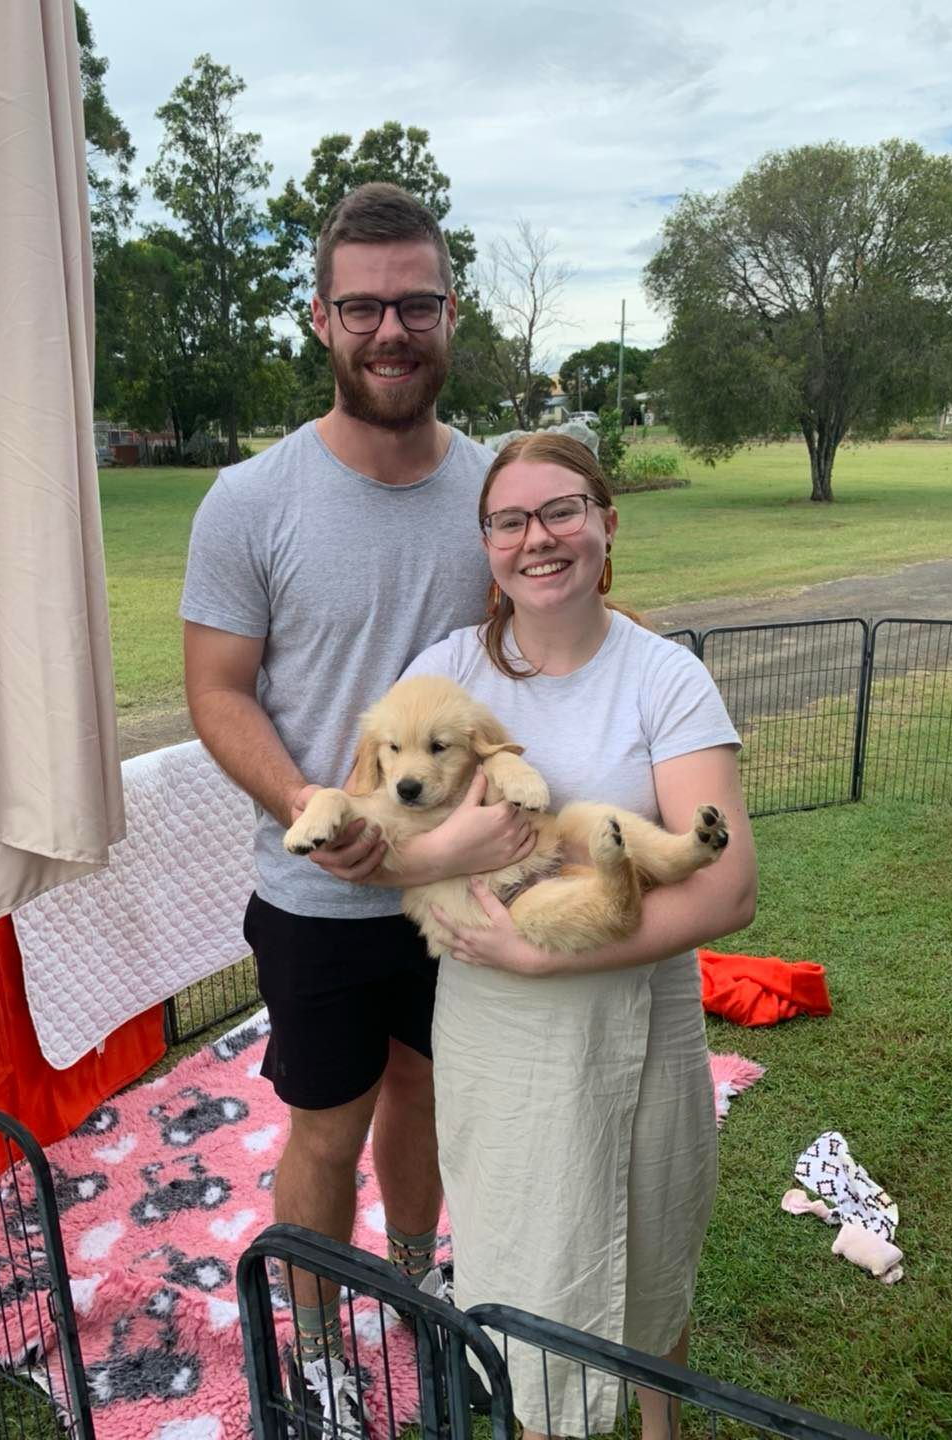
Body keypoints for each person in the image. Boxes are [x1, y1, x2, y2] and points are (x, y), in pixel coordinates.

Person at [179, 182, 534, 1424]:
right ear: (321, 318)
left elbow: (542, 656)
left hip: (462, 883)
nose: (393, 331)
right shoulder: (250, 500)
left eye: (416, 305)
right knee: (326, 1128)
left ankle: (415, 1281)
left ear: (451, 313)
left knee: (429, 1094)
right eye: (365, 307)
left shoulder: (498, 495)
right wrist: (308, 802)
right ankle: (323, 1347)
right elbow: (216, 689)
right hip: (316, 898)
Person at [402, 432, 758, 1440]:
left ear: (606, 522)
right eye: (510, 520)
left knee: (650, 1241)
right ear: (486, 544)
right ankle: (538, 1424)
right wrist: (447, 851)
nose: (538, 538)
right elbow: (378, 837)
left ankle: (660, 1429)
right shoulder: (444, 675)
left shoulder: (663, 677)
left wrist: (537, 948)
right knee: (521, 1252)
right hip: (497, 1031)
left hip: (637, 1014)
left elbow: (729, 890)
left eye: (561, 510)